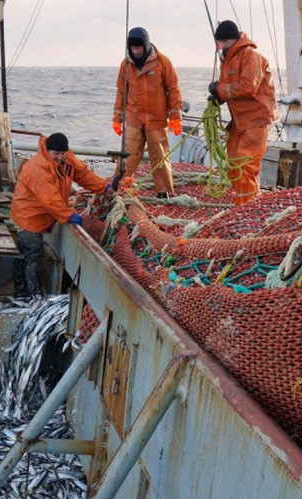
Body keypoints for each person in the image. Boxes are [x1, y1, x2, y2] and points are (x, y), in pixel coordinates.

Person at [10, 133, 110, 297]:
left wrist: (103, 186)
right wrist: (68, 215)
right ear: (47, 150)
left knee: (27, 254)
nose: (60, 157)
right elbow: (49, 198)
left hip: (42, 216)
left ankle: (23, 293)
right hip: (27, 215)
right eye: (56, 154)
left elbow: (83, 174)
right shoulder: (37, 167)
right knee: (33, 252)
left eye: (63, 154)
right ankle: (31, 296)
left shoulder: (66, 159)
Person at [207, 21, 278, 206]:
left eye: (221, 42)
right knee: (234, 164)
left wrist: (220, 89)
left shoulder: (251, 56)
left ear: (230, 40)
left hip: (255, 120)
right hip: (240, 122)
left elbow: (248, 87)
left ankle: (244, 212)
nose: (219, 47)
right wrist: (216, 97)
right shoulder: (228, 58)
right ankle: (251, 205)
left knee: (244, 166)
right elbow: (229, 88)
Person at [113, 27, 184, 198]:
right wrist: (117, 118)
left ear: (145, 45)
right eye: (133, 48)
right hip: (134, 118)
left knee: (159, 155)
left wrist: (175, 117)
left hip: (157, 119)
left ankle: (164, 191)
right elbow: (121, 93)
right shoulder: (126, 65)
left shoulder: (162, 62)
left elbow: (174, 89)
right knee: (127, 155)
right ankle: (119, 188)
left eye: (139, 47)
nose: (136, 51)